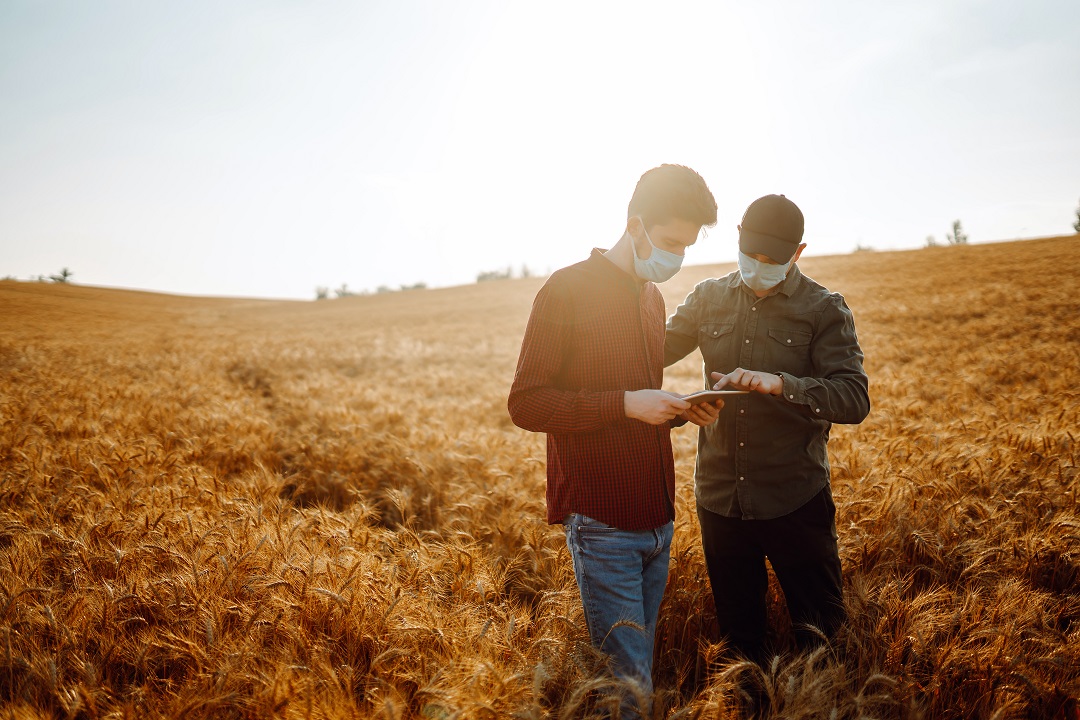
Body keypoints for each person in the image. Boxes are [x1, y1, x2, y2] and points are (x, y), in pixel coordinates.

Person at [508, 164, 720, 716]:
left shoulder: (651, 299)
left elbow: (639, 398)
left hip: (658, 518)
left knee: (635, 677)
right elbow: (526, 402)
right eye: (671, 242)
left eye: (686, 247)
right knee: (630, 692)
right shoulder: (567, 290)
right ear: (635, 223)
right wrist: (625, 402)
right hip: (603, 522)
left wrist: (678, 410)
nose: (676, 257)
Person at [664, 194, 870, 663]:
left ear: (797, 254)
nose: (757, 267)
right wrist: (681, 408)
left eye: (770, 260)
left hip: (793, 496)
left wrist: (781, 384)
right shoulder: (706, 297)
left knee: (822, 639)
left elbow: (854, 398)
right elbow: (646, 356)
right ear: (737, 240)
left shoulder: (823, 309)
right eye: (749, 254)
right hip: (719, 498)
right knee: (741, 646)